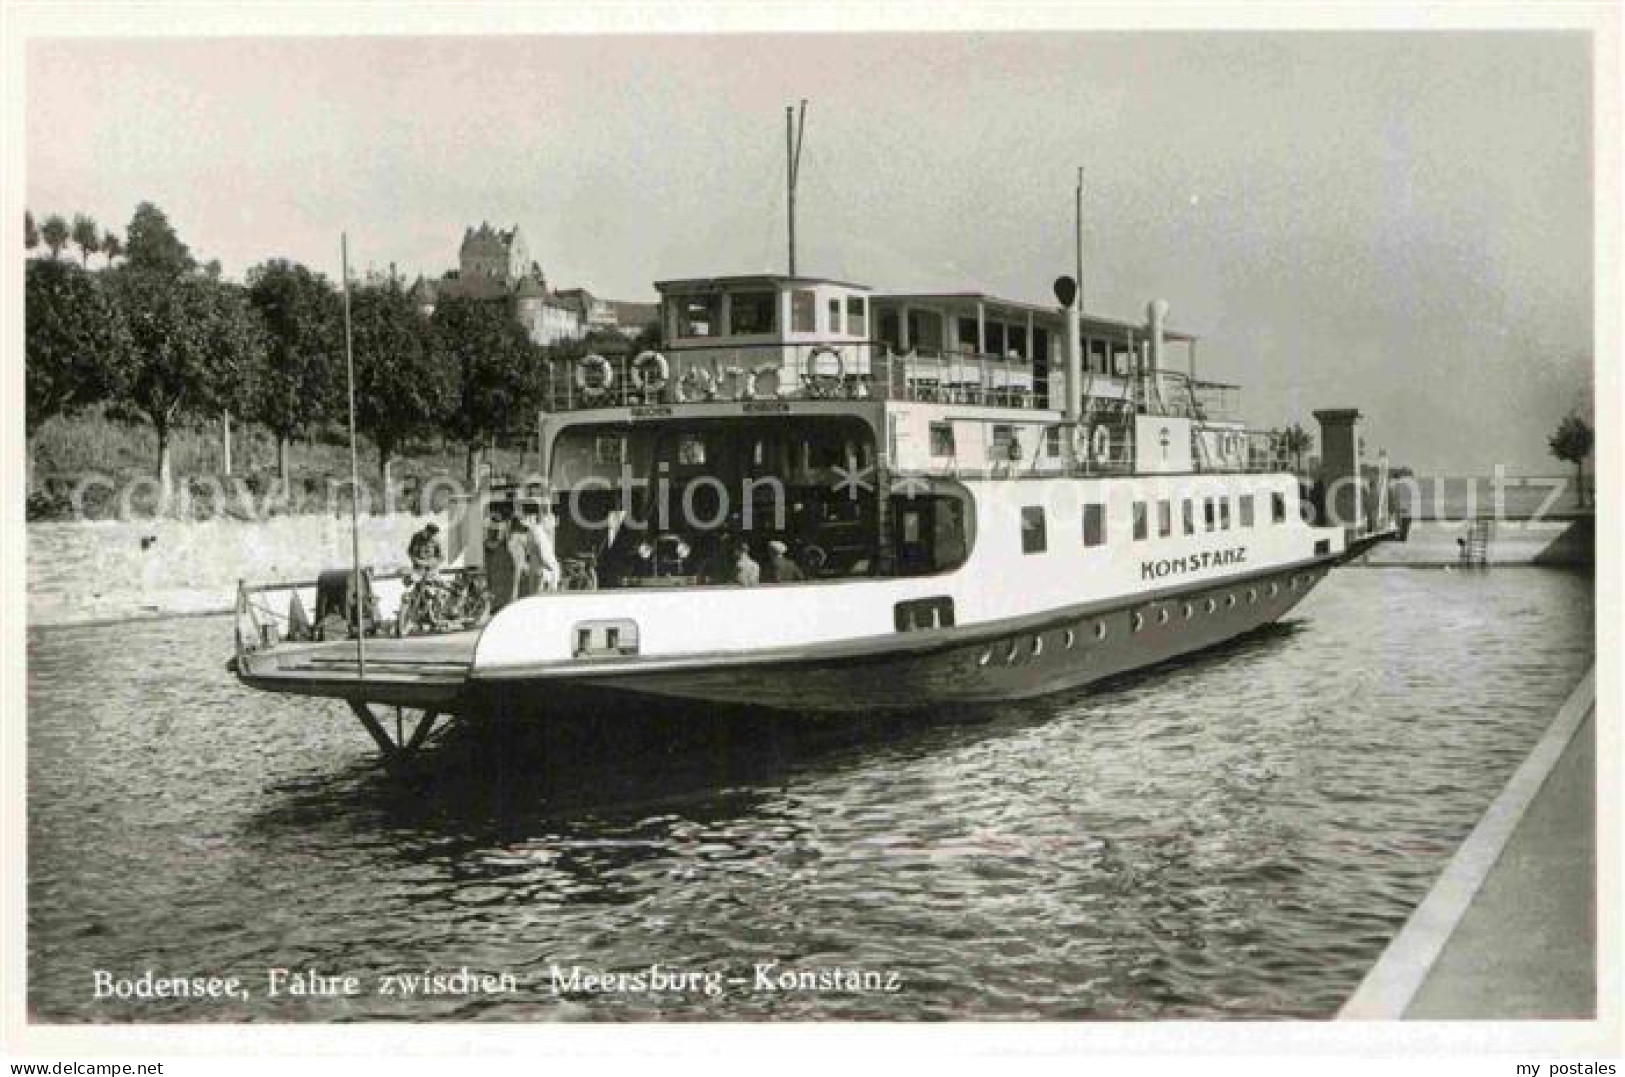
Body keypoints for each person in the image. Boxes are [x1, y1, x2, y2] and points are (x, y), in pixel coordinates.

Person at [484, 510, 519, 613]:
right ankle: (496, 606)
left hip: (499, 557)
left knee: (499, 583)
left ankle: (498, 606)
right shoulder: (499, 527)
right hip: (496, 556)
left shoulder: (499, 528)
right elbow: (495, 541)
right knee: (496, 583)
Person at [520, 508, 560, 595]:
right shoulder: (538, 532)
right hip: (541, 570)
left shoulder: (535, 531)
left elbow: (530, 550)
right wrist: (551, 567)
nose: (553, 525)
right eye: (551, 521)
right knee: (539, 596)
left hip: (537, 568)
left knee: (535, 595)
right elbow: (541, 552)